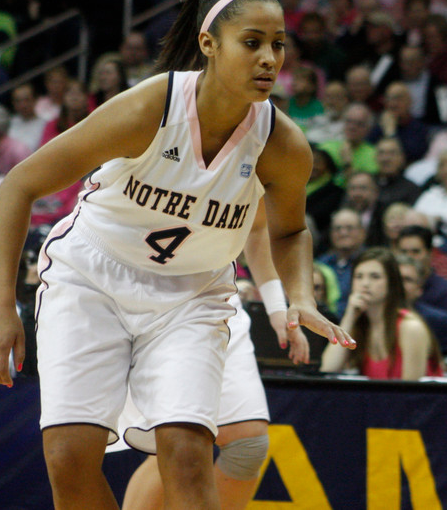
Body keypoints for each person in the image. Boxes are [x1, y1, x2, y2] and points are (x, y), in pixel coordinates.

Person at [0, 0, 353, 510]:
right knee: (68, 458)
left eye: (278, 44)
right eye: (252, 43)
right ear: (209, 43)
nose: (270, 58)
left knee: (187, 452)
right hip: (92, 277)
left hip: (192, 295)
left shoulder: (284, 144)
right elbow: (19, 185)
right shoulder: (152, 108)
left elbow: (290, 229)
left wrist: (300, 296)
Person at [117, 213, 309, 510]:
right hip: (152, 298)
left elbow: (257, 229)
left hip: (219, 296)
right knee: (178, 442)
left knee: (248, 447)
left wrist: (276, 308)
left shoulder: (254, 166)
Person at [320, 247, 442, 380]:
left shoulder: (410, 327)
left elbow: (411, 393)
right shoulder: (360, 325)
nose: (365, 284)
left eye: (375, 277)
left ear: (391, 283)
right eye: (358, 276)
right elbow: (328, 369)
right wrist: (349, 317)